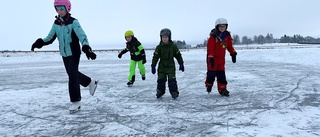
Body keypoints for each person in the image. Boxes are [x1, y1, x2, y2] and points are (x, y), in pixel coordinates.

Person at [31, 0, 98, 113]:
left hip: (74, 52)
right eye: (57, 9)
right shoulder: (56, 23)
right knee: (72, 73)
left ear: (67, 8)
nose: (59, 11)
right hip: (64, 53)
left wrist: (86, 48)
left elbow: (82, 36)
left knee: (72, 76)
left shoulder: (74, 22)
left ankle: (76, 102)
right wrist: (40, 42)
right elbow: (50, 37)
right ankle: (90, 82)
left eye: (61, 9)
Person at [205, 18, 237, 97]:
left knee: (221, 75)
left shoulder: (227, 37)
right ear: (217, 27)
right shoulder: (213, 38)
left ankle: (222, 89)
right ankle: (209, 84)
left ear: (226, 27)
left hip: (221, 60)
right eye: (220, 27)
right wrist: (211, 57)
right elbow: (210, 49)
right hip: (212, 59)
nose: (222, 28)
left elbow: (229, 46)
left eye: (224, 26)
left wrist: (233, 53)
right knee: (211, 74)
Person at [151, 28, 184, 99]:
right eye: (163, 37)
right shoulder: (159, 47)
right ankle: (160, 91)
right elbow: (155, 57)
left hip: (170, 67)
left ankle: (174, 92)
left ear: (169, 37)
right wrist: (153, 65)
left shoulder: (173, 46)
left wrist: (181, 63)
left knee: (172, 81)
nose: (164, 39)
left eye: (166, 37)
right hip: (162, 67)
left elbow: (178, 55)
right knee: (161, 80)